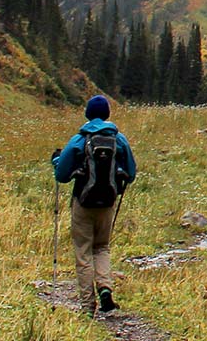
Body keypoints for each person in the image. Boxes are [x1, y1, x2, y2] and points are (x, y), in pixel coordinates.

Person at [52, 96, 137, 313]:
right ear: (107, 114)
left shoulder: (79, 140)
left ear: (87, 114)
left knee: (83, 251)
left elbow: (61, 175)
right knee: (102, 247)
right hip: (107, 202)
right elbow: (132, 173)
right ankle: (105, 287)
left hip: (83, 202)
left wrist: (56, 160)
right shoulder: (119, 139)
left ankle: (88, 305)